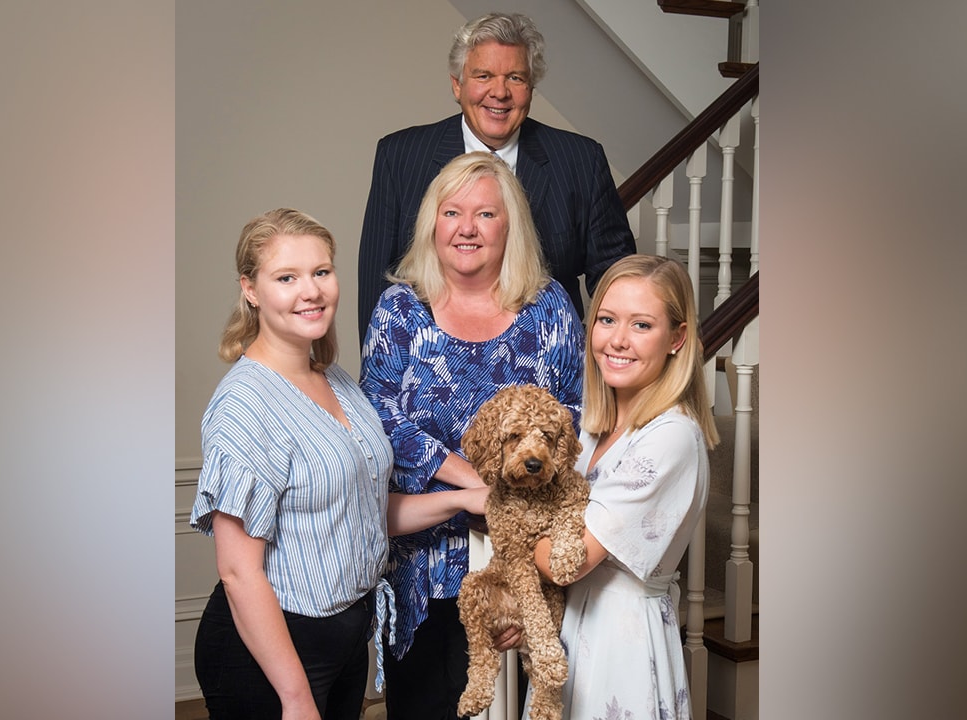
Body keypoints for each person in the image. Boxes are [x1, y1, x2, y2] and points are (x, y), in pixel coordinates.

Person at [360, 151, 585, 720]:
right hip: (426, 564)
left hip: (528, 558)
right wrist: (475, 483)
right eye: (451, 212)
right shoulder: (399, 309)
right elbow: (380, 416)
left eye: (485, 214)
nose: (466, 228)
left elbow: (576, 418)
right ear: (431, 223)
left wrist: (523, 570)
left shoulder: (549, 307)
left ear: (510, 225)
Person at [191, 209, 395, 720]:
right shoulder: (245, 404)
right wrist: (296, 697)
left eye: (321, 272)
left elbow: (362, 507)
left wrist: (463, 498)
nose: (312, 291)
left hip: (345, 636)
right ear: (251, 290)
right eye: (287, 278)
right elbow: (239, 573)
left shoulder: (336, 380)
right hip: (272, 653)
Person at [357, 11, 636, 342]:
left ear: (531, 88)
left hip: (548, 372)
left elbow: (619, 282)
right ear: (457, 85)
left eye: (515, 78)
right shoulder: (400, 156)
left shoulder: (580, 160)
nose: (500, 92)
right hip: (428, 371)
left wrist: (603, 369)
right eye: (483, 76)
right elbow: (377, 283)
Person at [521, 255, 720, 719]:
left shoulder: (671, 436)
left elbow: (564, 563)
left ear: (677, 338)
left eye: (641, 325)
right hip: (572, 628)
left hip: (622, 642)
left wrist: (509, 514)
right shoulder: (592, 430)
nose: (617, 340)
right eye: (607, 320)